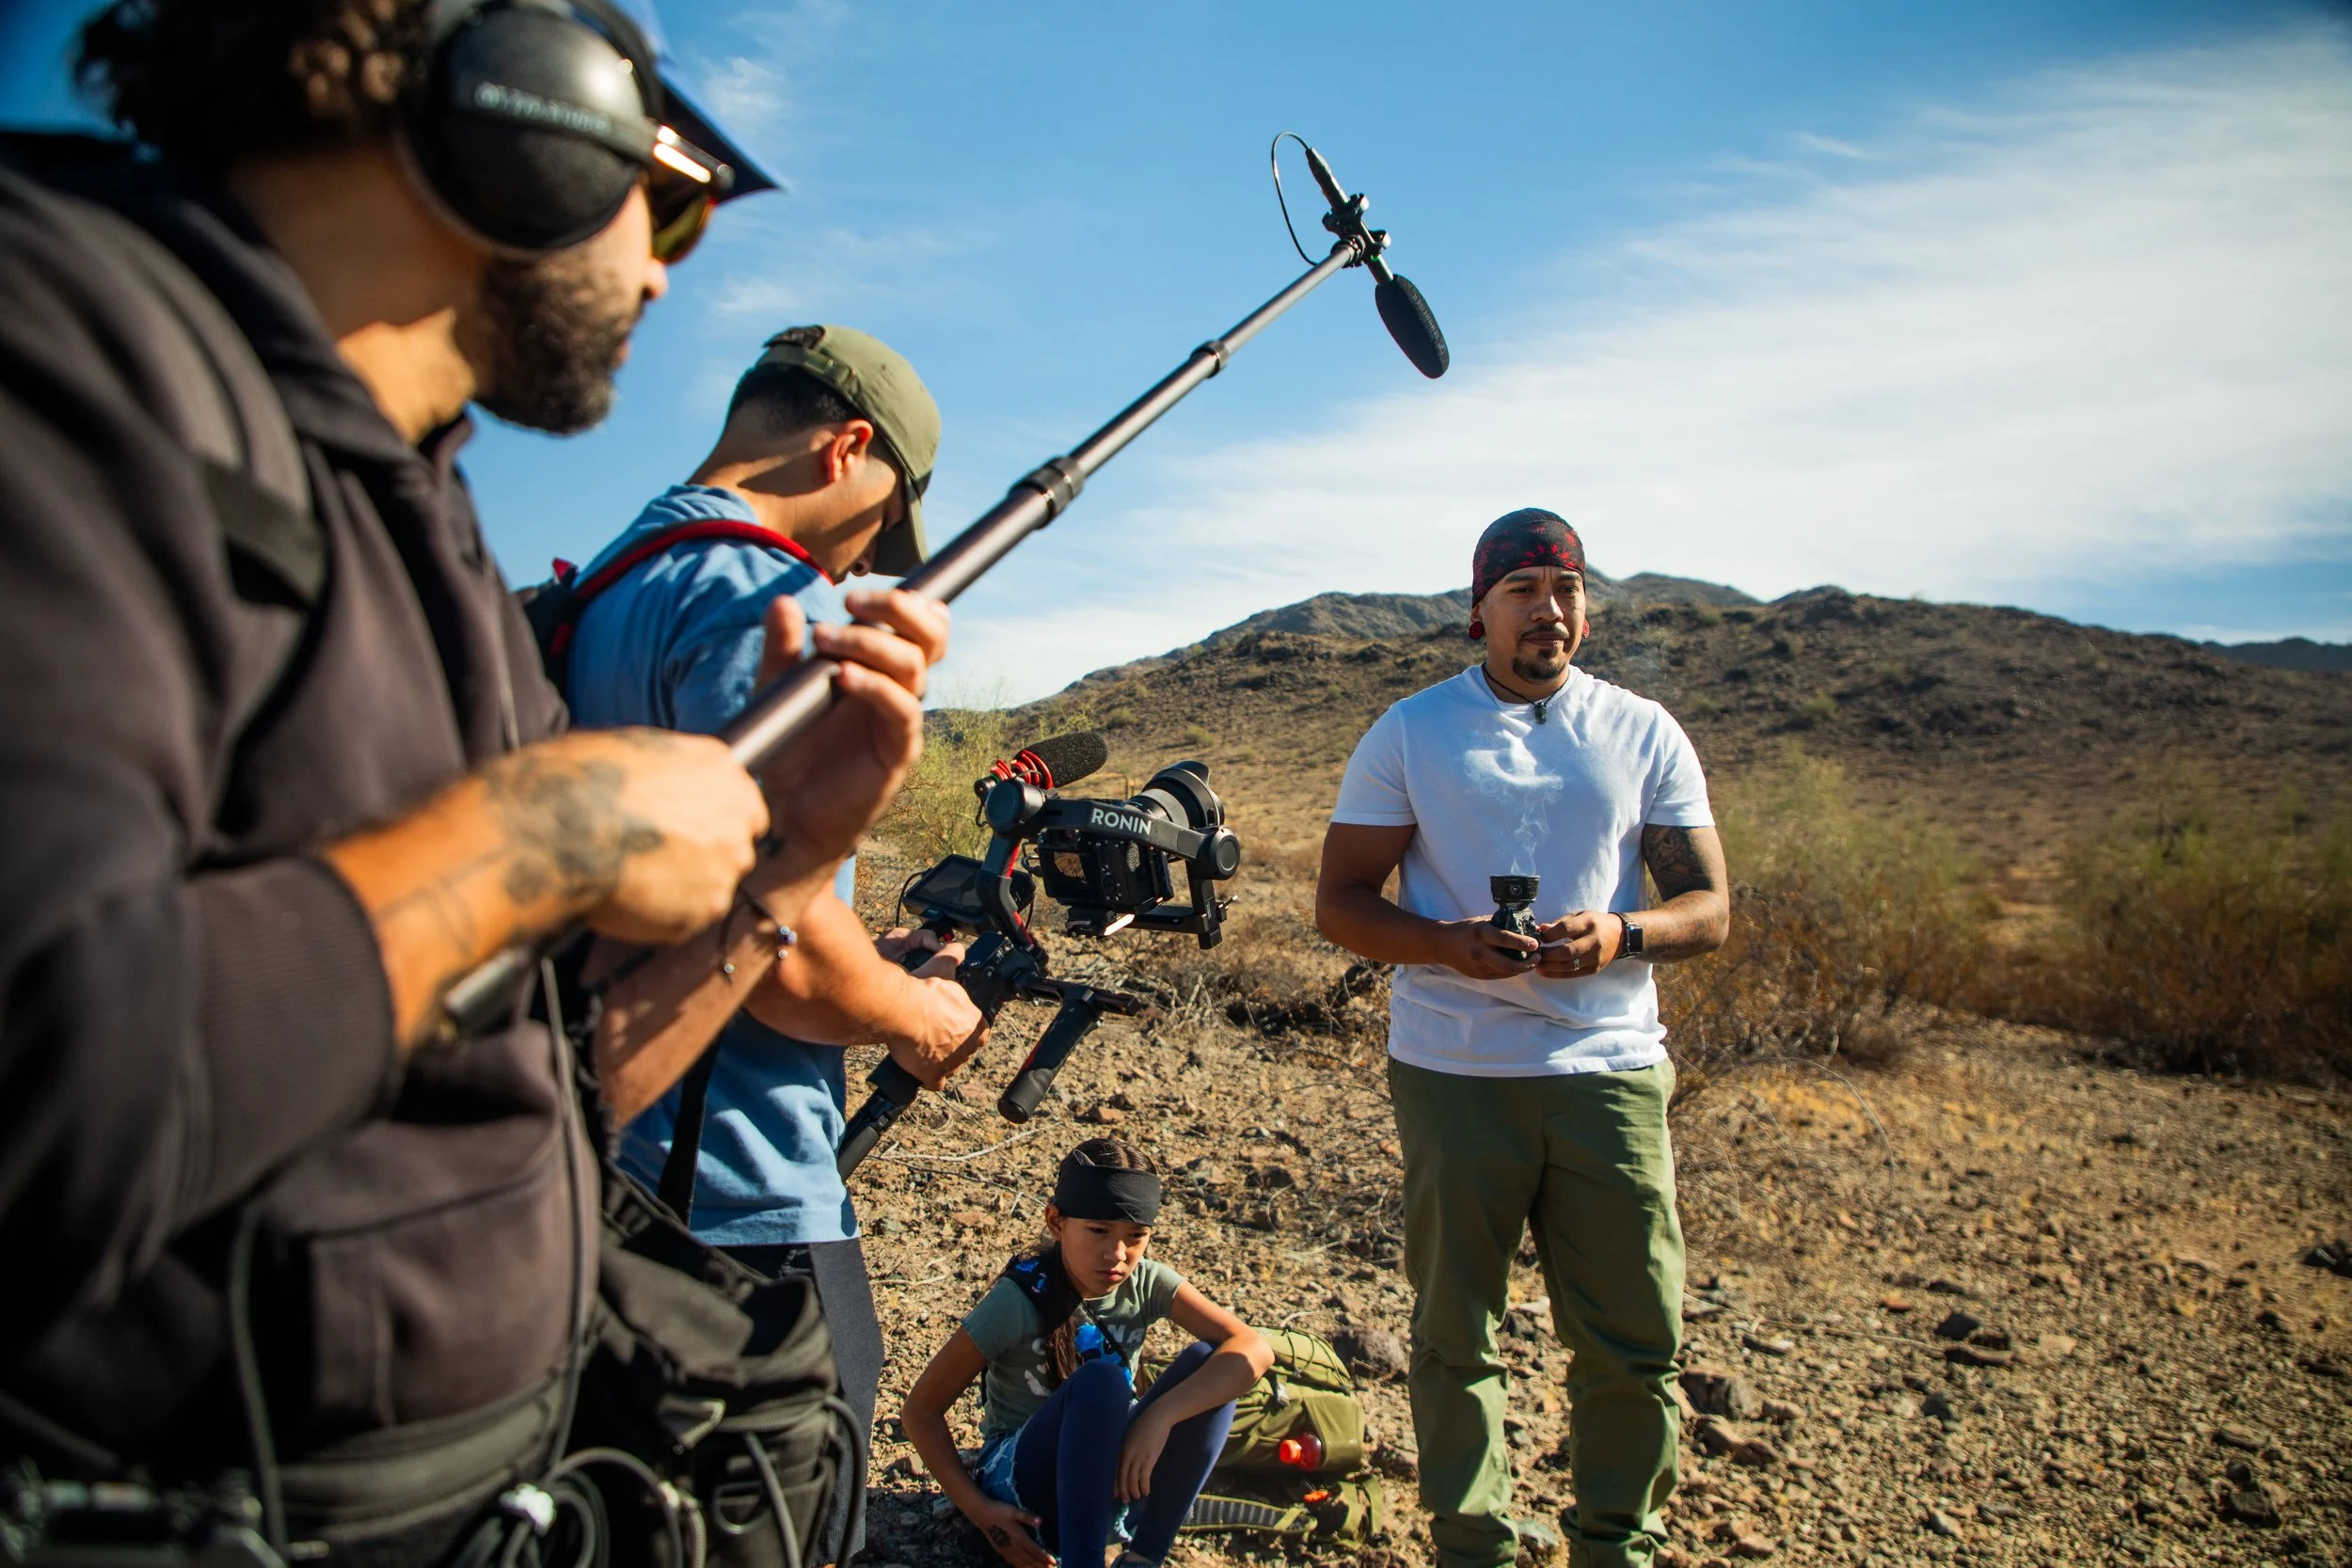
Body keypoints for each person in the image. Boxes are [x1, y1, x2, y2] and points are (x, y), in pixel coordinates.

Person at [0, 0, 943, 1556]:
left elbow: (547, 1085)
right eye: (672, 196)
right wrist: (538, 836)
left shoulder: (428, 531)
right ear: (529, 107)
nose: (661, 269)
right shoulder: (62, 342)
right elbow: (53, 1083)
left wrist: (783, 868)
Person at [560, 325, 983, 1537]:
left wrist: (871, 955)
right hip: (732, 1193)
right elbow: (783, 956)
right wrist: (914, 1011)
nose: (862, 558)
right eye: (877, 518)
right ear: (845, 446)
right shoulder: (763, 594)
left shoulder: (617, 573)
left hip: (600, 1153)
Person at [1314, 507, 1731, 1568]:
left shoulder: (1643, 730)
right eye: (1524, 591)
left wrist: (1621, 931)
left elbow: (1708, 909)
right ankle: (1473, 1548)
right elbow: (1341, 901)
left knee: (1634, 1345)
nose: (1549, 610)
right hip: (1457, 1071)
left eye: (1566, 589)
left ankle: (1614, 1548)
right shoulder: (1412, 730)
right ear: (1478, 613)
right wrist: (1446, 944)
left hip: (1610, 1073)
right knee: (1456, 1335)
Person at [901, 1139, 1274, 1568]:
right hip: (1027, 1487)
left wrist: (1160, 1416)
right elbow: (921, 1411)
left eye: (1136, 1237)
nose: (1117, 1255)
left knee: (1212, 1359)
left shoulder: (1146, 1283)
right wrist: (981, 1513)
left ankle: (1143, 1556)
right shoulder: (1018, 1300)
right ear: (1056, 1222)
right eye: (1099, 1231)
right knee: (1102, 1380)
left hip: (1107, 1476)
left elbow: (1253, 1349)